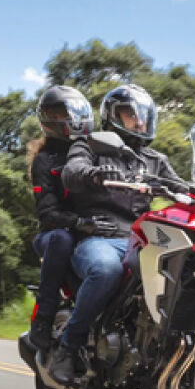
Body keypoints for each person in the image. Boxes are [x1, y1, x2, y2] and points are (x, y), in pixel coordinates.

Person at [49, 83, 187, 384]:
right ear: (112, 116)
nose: (139, 122)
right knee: (106, 270)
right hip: (99, 236)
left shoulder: (154, 160)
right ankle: (68, 349)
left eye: (143, 116)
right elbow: (72, 173)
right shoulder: (90, 146)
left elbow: (181, 188)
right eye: (130, 115)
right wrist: (93, 174)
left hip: (141, 238)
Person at [27, 85, 117, 350]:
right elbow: (47, 213)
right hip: (55, 233)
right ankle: (44, 316)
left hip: (94, 230)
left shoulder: (98, 149)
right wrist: (79, 223)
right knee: (61, 239)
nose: (68, 119)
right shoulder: (44, 161)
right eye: (58, 114)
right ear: (46, 120)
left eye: (72, 112)